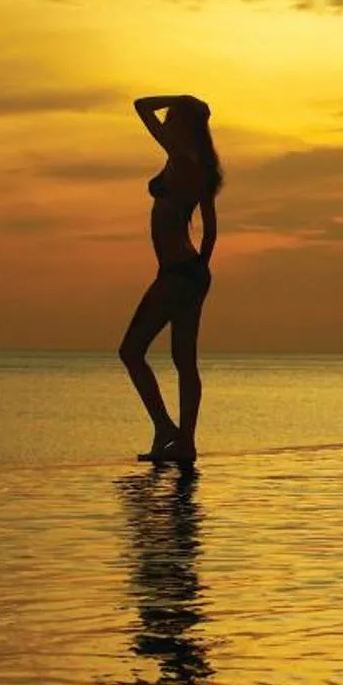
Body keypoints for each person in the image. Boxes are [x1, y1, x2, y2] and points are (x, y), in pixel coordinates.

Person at [119, 93, 221, 468]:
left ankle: (165, 427)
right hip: (191, 271)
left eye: (174, 116)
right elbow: (210, 230)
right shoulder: (202, 166)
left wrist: (179, 97)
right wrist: (200, 271)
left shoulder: (181, 157)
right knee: (184, 360)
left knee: (130, 351)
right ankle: (185, 443)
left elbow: (141, 106)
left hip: (178, 272)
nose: (168, 119)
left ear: (184, 123)